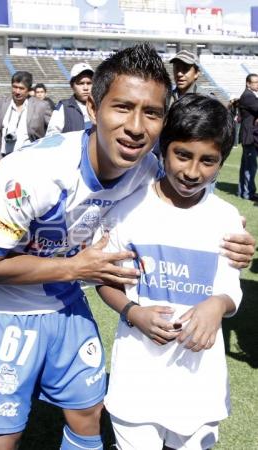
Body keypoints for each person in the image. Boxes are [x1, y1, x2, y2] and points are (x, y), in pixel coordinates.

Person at [0, 44, 254, 450]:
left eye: (151, 113)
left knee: (88, 412)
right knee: (2, 433)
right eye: (122, 107)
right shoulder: (33, 172)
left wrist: (230, 230)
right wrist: (75, 269)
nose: (136, 126)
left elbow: (189, 200)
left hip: (64, 303)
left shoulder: (148, 169)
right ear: (94, 107)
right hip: (4, 308)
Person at [96, 94, 244, 450]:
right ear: (164, 149)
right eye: (182, 155)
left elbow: (230, 288)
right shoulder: (127, 209)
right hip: (137, 376)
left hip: (198, 382)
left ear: (222, 161)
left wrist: (217, 305)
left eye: (208, 161)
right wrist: (134, 312)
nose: (193, 172)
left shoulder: (225, 217)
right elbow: (106, 281)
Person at [0, 71, 52, 163]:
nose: (17, 92)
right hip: (4, 159)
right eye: (15, 87)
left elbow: (53, 130)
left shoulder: (41, 106)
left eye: (21, 88)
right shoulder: (1, 104)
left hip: (30, 159)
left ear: (28, 90)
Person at [46, 62, 94, 134]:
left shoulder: (102, 106)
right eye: (81, 83)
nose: (86, 88)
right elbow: (51, 136)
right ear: (72, 85)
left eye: (89, 83)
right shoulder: (63, 107)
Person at [237, 73, 258, 200]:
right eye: (255, 82)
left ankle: (243, 192)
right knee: (250, 166)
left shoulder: (249, 95)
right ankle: (248, 193)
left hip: (248, 135)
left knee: (247, 166)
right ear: (248, 84)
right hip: (250, 136)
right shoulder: (248, 96)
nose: (257, 85)